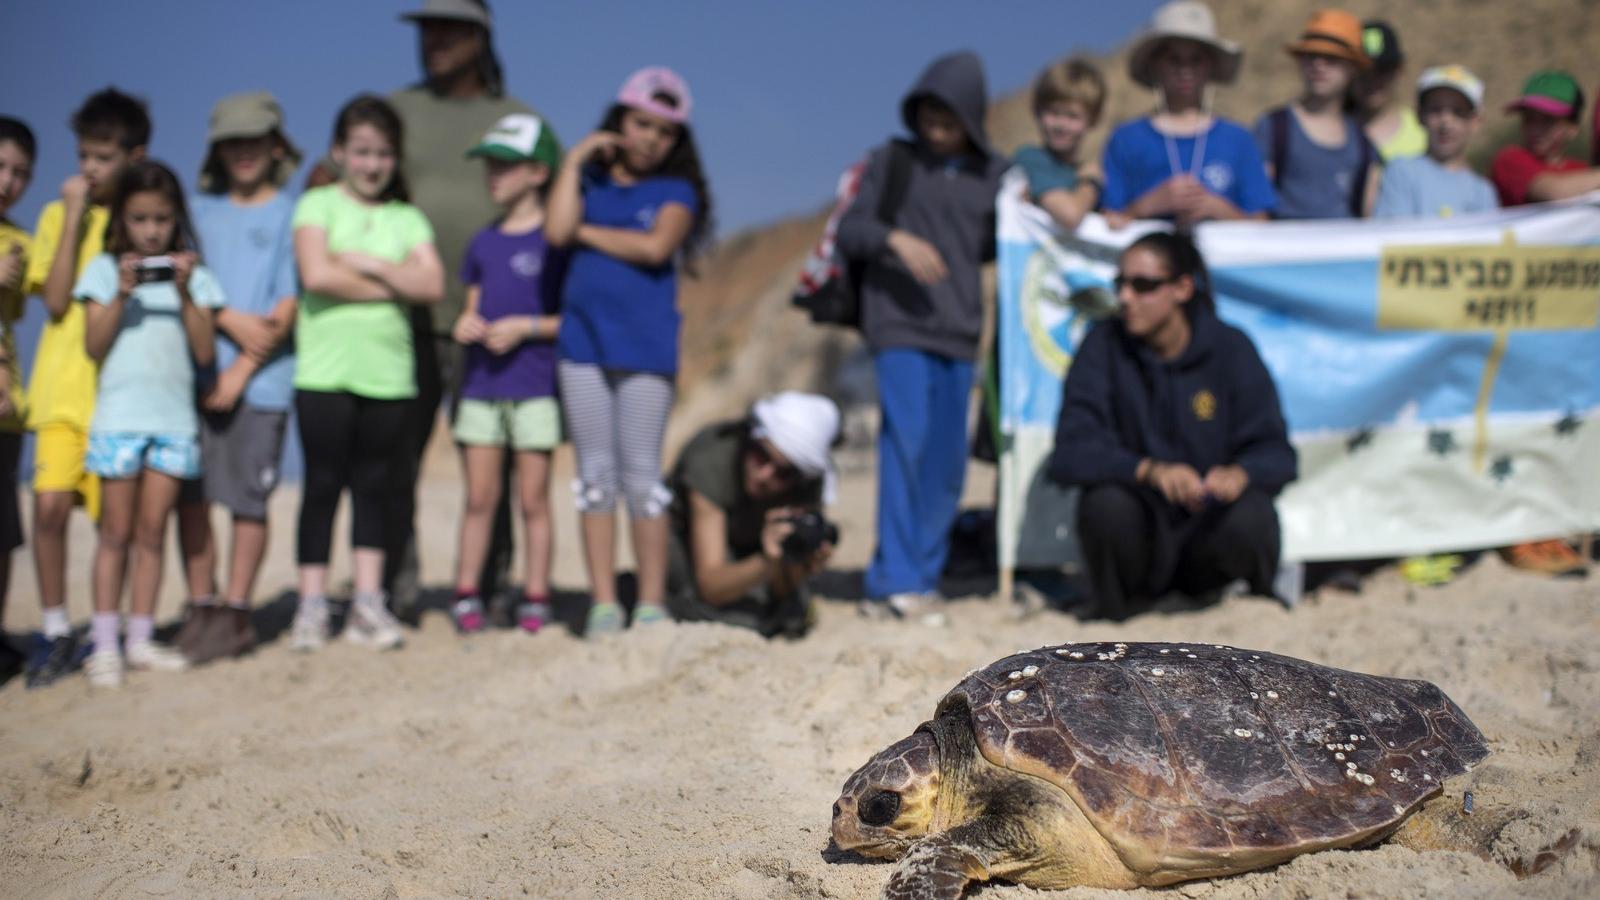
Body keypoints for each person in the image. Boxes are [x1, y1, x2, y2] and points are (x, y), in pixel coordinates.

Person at [835, 51, 1008, 621]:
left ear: (972, 115)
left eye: (950, 112)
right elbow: (851, 229)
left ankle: (919, 579)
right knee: (904, 447)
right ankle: (893, 582)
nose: (937, 122)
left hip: (960, 333)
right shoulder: (892, 161)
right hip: (898, 326)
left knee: (945, 464)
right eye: (929, 109)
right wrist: (896, 241)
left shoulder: (996, 176)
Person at [1049, 231, 1297, 620]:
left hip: (1207, 535)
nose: (1126, 297)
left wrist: (1240, 473)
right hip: (1140, 538)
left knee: (1253, 512)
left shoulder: (1231, 349)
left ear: (1183, 288)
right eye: (1121, 284)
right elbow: (1069, 453)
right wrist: (1148, 471)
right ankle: (1115, 611)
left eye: (1143, 285)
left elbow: (1278, 454)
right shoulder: (1103, 347)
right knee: (1105, 505)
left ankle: (1246, 605)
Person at [386, 0, 541, 620]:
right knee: (396, 461)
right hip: (405, 322)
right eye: (427, 27)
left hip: (494, 328)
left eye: (448, 27)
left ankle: (493, 584)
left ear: (480, 36)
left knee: (493, 470)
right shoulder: (396, 111)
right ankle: (394, 590)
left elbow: (550, 213)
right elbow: (349, 175)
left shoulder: (517, 119)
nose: (434, 39)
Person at [547, 66, 712, 635]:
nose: (650, 138)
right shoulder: (587, 184)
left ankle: (649, 602)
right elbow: (554, 229)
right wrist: (574, 161)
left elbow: (654, 246)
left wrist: (584, 235)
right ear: (620, 119)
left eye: (664, 132)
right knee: (595, 477)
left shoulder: (677, 191)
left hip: (645, 350)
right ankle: (601, 603)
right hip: (581, 347)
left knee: (642, 476)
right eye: (642, 123)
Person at [288, 95, 444, 652]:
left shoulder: (407, 217)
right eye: (361, 152)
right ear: (338, 152)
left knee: (374, 489)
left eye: (382, 153)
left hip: (389, 375)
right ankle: (311, 606)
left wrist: (370, 264)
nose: (372, 164)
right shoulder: (317, 205)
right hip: (325, 373)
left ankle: (367, 603)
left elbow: (432, 285)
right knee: (322, 487)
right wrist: (394, 283)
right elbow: (316, 273)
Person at [167, 93, 303, 665]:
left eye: (255, 138)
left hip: (266, 383)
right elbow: (185, 290)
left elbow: (287, 306)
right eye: (232, 141)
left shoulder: (293, 212)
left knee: (249, 498)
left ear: (276, 144)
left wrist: (243, 369)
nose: (244, 151)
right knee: (191, 498)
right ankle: (201, 605)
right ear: (216, 150)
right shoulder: (195, 212)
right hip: (191, 378)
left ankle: (237, 613)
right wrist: (223, 318)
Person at [79, 161, 226, 687]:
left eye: (161, 219)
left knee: (151, 533)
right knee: (114, 532)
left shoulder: (197, 276)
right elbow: (92, 346)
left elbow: (205, 350)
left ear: (176, 219)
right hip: (119, 421)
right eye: (140, 218)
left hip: (173, 424)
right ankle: (102, 644)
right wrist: (120, 292)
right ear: (122, 219)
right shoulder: (101, 270)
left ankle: (139, 639)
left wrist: (186, 293)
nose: (151, 230)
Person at [22, 88, 149, 688]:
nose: (89, 170)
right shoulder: (55, 216)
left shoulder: (142, 223)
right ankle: (53, 628)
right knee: (48, 508)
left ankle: (107, 628)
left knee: (114, 527)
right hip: (58, 395)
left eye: (102, 158)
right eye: (83, 157)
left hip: (116, 400)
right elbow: (53, 301)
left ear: (133, 155)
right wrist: (73, 213)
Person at [449, 113, 565, 634]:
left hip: (535, 387)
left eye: (506, 166)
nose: (493, 176)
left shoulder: (556, 242)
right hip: (481, 386)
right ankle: (466, 592)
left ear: (539, 172)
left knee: (533, 499)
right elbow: (470, 309)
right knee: (479, 498)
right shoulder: (483, 242)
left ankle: (536, 596)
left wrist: (524, 328)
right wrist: (467, 325)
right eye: (490, 166)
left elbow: (569, 321)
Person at [665, 392, 840, 638]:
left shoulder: (808, 482)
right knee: (738, 618)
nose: (764, 475)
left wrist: (797, 562)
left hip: (747, 545)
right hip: (684, 539)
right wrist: (766, 560)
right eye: (761, 455)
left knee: (792, 614)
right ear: (750, 436)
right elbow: (711, 588)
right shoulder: (711, 459)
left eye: (783, 473)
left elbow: (784, 592)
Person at [1101, 1, 1275, 228]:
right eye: (1174, 60)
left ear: (1210, 66)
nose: (1185, 70)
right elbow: (1106, 220)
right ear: (1155, 65)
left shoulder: (1238, 140)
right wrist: (1148, 205)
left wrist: (1218, 209)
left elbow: (1262, 224)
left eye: (1196, 60)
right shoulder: (1126, 139)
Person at [1253, 9, 1380, 219]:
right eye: (1311, 56)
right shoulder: (1273, 128)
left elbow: (1369, 216)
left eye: (1331, 58)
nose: (1319, 65)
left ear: (1353, 68)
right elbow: (1257, 210)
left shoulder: (1364, 144)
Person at [0, 117, 34, 685]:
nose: (8, 181)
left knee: (3, 530)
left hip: (7, 410)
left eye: (21, 172)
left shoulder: (20, 242)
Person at [1373, 66, 1497, 219]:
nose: (1446, 122)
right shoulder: (1400, 171)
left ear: (1476, 122)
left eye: (1458, 112)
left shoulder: (1483, 192)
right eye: (1436, 110)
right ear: (1419, 115)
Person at [1013, 58, 1107, 232]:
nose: (1061, 125)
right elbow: (1070, 216)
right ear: (1038, 111)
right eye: (1053, 112)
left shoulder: (1082, 170)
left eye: (1072, 116)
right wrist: (1091, 184)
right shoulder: (1032, 158)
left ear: (1093, 119)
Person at [1490, 71, 1600, 207]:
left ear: (1573, 128)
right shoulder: (1509, 160)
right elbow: (1555, 193)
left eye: (1548, 120)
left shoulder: (1583, 171)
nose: (1535, 129)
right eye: (1529, 119)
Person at [1353, 20, 1427, 162]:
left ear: (1399, 70)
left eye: (1382, 70)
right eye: (1363, 70)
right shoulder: (1332, 131)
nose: (1372, 79)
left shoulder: (1423, 133)